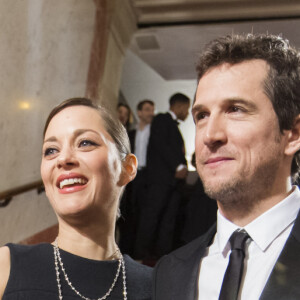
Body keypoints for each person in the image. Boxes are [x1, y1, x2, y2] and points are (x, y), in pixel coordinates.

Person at [153, 34, 300, 300]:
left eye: (236, 109)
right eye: (202, 115)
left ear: (294, 134)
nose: (210, 135)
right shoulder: (169, 272)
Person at [0, 98, 152, 299]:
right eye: (51, 150)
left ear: (127, 168)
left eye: (85, 143)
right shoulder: (6, 267)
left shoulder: (157, 286)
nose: (63, 159)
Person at [135, 93, 190, 260]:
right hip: (159, 180)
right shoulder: (161, 119)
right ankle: (139, 256)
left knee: (168, 220)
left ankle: (162, 258)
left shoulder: (174, 126)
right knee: (150, 218)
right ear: (179, 106)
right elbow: (161, 144)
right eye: (187, 109)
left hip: (172, 183)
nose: (187, 113)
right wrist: (178, 165)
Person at [119, 99, 155, 257]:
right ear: (139, 112)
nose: (151, 113)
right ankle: (125, 250)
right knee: (129, 212)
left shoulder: (154, 132)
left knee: (144, 213)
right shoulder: (131, 133)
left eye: (152, 110)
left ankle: (141, 252)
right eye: (147, 109)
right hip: (131, 176)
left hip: (148, 175)